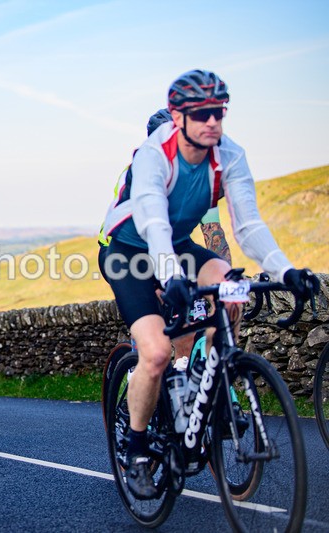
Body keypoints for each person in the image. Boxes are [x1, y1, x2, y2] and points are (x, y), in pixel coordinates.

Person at [99, 69, 318, 499]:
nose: (212, 121)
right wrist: (170, 278)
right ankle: (138, 449)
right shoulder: (152, 154)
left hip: (176, 244)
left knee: (228, 282)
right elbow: (153, 221)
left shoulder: (230, 154)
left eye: (218, 111)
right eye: (201, 113)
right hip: (128, 249)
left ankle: (208, 375)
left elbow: (247, 224)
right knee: (158, 351)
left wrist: (285, 270)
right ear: (178, 118)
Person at [97, 108, 234, 361]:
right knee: (166, 319)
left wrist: (224, 278)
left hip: (171, 248)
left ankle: (193, 379)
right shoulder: (141, 172)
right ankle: (147, 372)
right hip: (123, 251)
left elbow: (213, 232)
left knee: (200, 310)